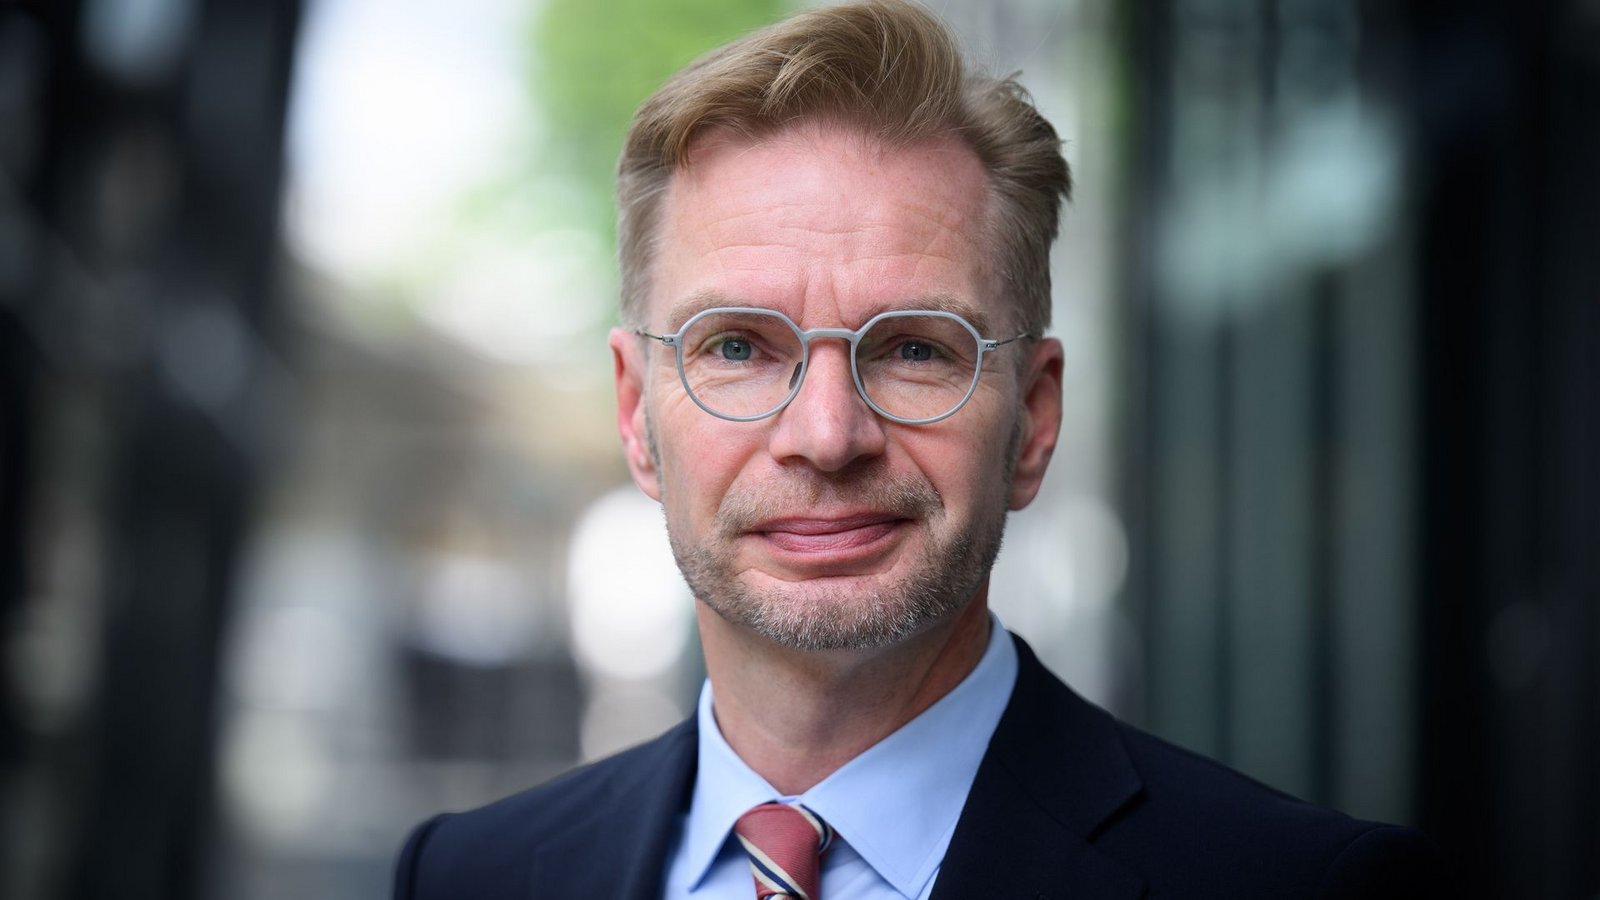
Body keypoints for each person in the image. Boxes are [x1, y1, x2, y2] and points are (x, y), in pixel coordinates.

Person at [393, 1, 1451, 897]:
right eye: (737, 348)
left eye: (909, 349)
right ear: (636, 415)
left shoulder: (1302, 885)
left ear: (1032, 420)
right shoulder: (467, 874)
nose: (824, 436)